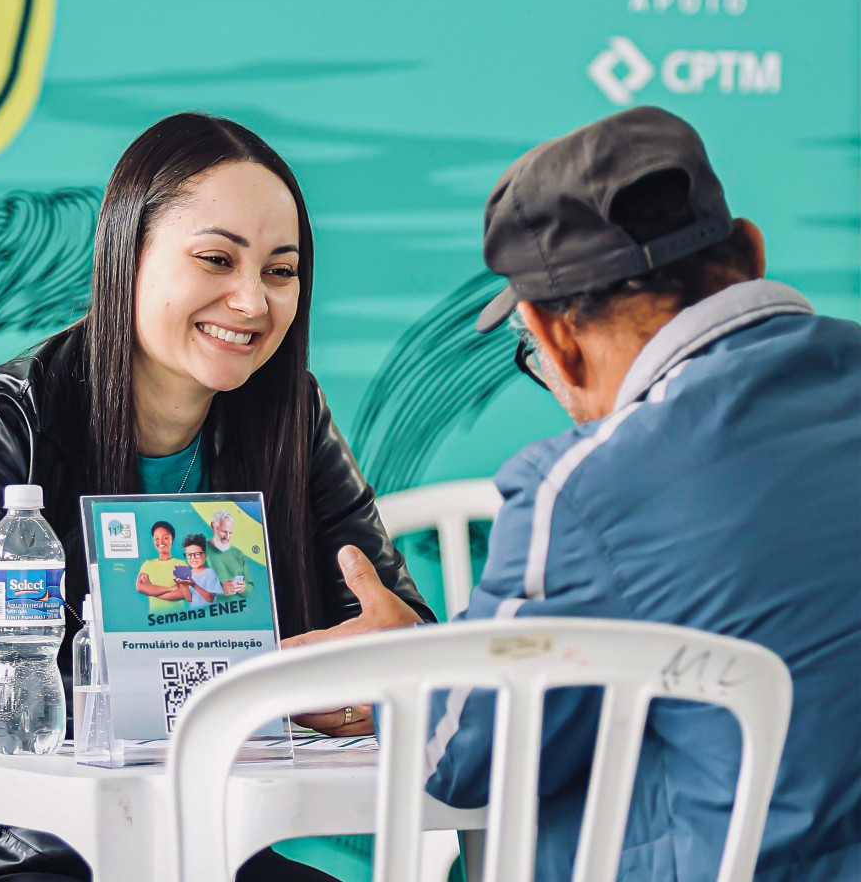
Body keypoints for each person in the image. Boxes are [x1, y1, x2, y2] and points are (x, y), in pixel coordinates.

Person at [286, 108, 861, 879]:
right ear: (751, 253)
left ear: (552, 335)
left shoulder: (590, 488)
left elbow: (459, 761)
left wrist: (402, 664)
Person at [0, 112, 435, 882]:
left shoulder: (289, 417)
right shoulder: (3, 419)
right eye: (215, 260)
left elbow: (397, 633)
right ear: (126, 258)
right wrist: (139, 694)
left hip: (213, 851)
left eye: (279, 270)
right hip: (25, 857)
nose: (251, 302)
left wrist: (391, 667)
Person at [135, 520, 186, 612]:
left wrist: (151, 590)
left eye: (165, 538)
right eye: (156, 538)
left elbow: (183, 593)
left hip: (178, 618)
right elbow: (141, 587)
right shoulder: (147, 564)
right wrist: (171, 589)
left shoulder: (181, 564)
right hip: (156, 619)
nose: (161, 541)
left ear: (172, 540)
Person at [205, 508, 254, 598]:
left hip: (240, 609)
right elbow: (192, 589)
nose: (227, 537)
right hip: (214, 610)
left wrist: (243, 588)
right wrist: (221, 590)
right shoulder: (200, 552)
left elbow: (250, 587)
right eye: (224, 531)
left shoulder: (238, 554)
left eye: (230, 533)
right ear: (213, 526)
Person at [175, 533, 224, 605]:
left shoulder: (210, 573)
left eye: (197, 554)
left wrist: (193, 584)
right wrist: (184, 585)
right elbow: (188, 598)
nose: (193, 558)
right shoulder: (188, 574)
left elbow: (210, 598)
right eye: (189, 555)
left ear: (205, 555)